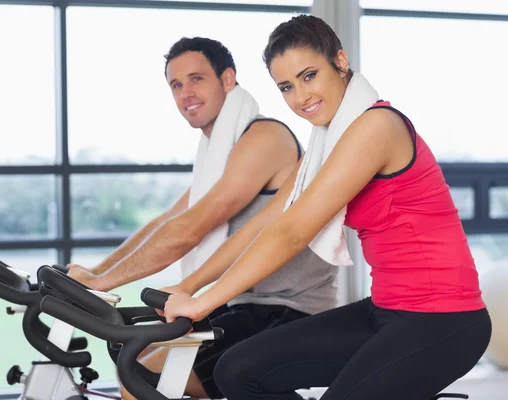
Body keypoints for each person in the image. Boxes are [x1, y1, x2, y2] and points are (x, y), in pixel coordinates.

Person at [162, 15, 492, 400]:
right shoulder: (328, 142)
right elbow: (268, 222)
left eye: (308, 76)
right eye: (286, 86)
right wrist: (187, 286)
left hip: (444, 320)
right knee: (236, 370)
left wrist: (202, 304)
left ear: (339, 61)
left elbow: (293, 232)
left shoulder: (376, 127)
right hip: (386, 309)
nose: (300, 97)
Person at [67, 37, 340, 400]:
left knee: (141, 376)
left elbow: (192, 228)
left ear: (228, 80)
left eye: (197, 79)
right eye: (176, 85)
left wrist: (101, 282)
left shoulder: (264, 138)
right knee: (140, 364)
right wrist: (94, 274)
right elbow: (169, 220)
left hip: (287, 309)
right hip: (246, 305)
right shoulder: (218, 152)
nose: (186, 93)